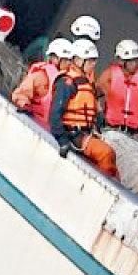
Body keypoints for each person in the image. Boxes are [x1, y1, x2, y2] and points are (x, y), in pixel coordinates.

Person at [48, 45, 120, 180]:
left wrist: (99, 119)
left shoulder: (85, 82)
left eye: (94, 61)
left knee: (112, 161)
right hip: (72, 134)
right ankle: (104, 187)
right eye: (90, 60)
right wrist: (62, 140)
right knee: (106, 153)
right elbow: (55, 113)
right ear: (79, 60)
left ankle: (114, 183)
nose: (93, 64)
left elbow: (92, 108)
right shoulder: (67, 82)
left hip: (84, 132)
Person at [95, 39, 138, 140]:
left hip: (134, 133)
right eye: (130, 60)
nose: (134, 64)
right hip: (110, 129)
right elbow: (95, 94)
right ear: (121, 61)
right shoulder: (109, 75)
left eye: (136, 60)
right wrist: (99, 114)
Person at [12, 37, 72, 129]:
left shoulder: (66, 82)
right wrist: (25, 106)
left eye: (70, 60)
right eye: (65, 60)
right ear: (55, 58)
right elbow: (20, 94)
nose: (68, 63)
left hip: (48, 130)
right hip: (31, 124)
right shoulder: (40, 76)